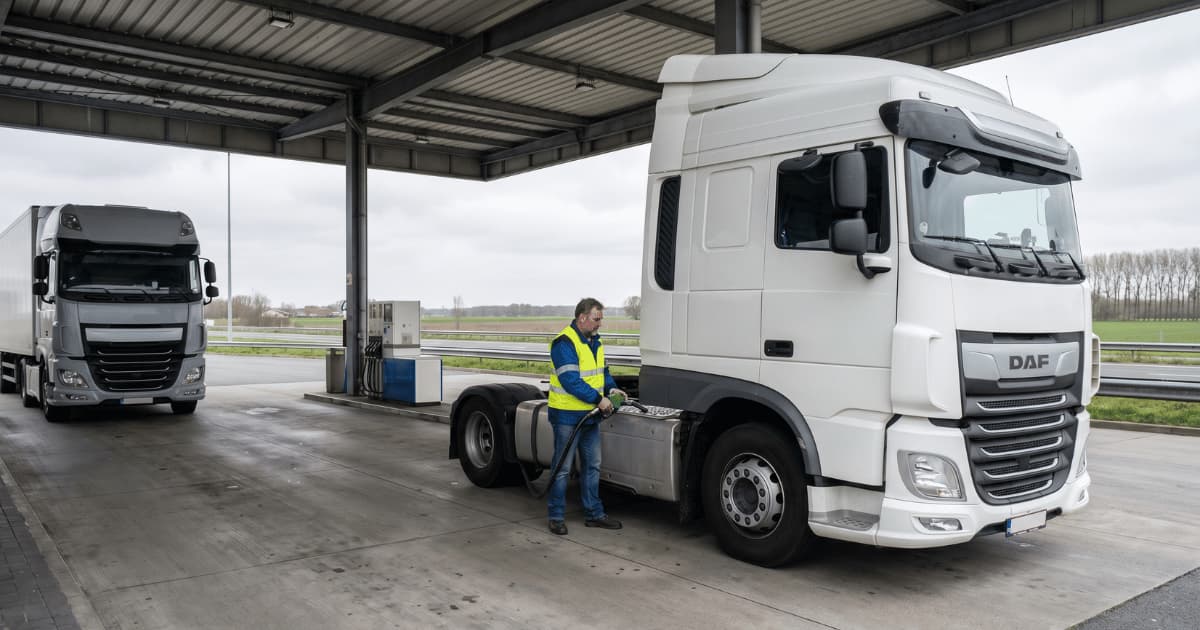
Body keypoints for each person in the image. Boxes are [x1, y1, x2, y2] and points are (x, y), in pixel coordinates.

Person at [546, 297, 626, 535]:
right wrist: (598, 399)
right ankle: (556, 516)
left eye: (601, 319)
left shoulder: (595, 342)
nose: (599, 324)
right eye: (596, 319)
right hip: (567, 416)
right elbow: (570, 381)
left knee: (593, 466)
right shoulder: (564, 343)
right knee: (562, 468)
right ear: (582, 318)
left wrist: (610, 389)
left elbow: (602, 372)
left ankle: (594, 514)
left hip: (590, 416)